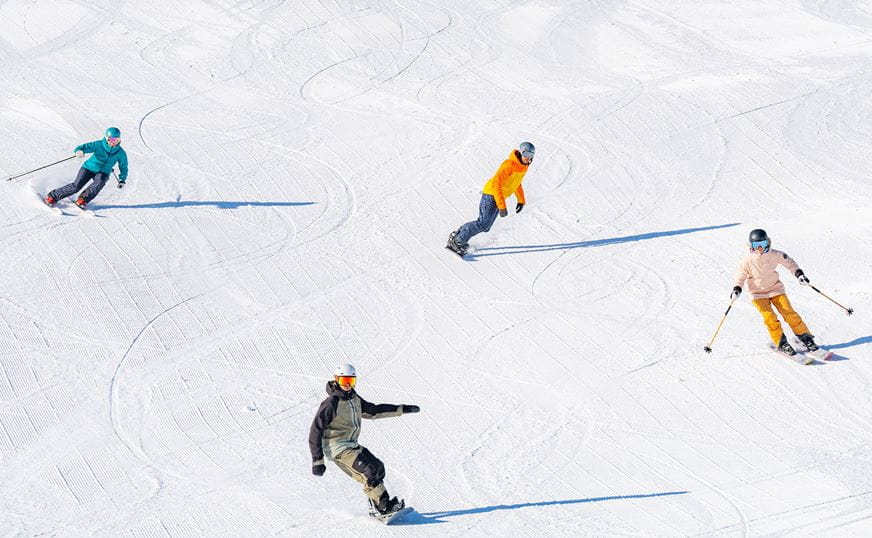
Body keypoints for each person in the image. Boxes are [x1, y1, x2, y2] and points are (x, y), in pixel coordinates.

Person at [309, 363, 420, 515]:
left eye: (351, 381)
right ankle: (383, 507)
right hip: (337, 448)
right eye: (344, 381)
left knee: (378, 468)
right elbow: (316, 430)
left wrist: (401, 409)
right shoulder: (331, 404)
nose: (347, 385)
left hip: (351, 445)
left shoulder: (354, 398)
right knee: (370, 471)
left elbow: (373, 411)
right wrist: (317, 460)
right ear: (336, 380)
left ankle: (376, 503)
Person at [731, 229, 819, 355]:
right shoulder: (747, 260)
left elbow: (790, 263)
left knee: (790, 314)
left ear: (767, 242)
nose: (760, 247)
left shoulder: (775, 254)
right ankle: (781, 343)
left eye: (762, 243)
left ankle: (805, 338)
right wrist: (737, 288)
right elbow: (740, 276)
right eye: (756, 245)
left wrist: (799, 275)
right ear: (751, 245)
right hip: (758, 294)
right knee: (770, 318)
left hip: (776, 290)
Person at [447, 141, 535, 256]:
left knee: (486, 226)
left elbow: (516, 183)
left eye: (531, 156)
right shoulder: (509, 165)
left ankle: (458, 235)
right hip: (491, 194)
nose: (528, 159)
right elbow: (496, 184)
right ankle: (458, 241)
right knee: (483, 224)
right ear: (520, 152)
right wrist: (502, 206)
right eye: (526, 155)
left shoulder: (523, 167)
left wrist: (521, 200)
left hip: (498, 196)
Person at [44, 127, 129, 208]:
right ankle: (53, 196)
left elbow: (123, 167)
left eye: (116, 140)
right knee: (76, 186)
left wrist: (122, 179)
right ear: (107, 138)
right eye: (111, 139)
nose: (113, 142)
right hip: (88, 168)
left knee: (99, 183)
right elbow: (83, 147)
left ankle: (83, 199)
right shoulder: (99, 144)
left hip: (104, 172)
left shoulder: (121, 153)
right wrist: (79, 151)